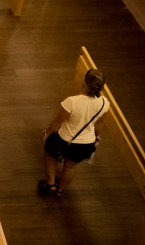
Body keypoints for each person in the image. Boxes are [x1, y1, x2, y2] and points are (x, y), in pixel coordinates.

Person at [39, 69, 110, 197]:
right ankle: (60, 190)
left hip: (64, 138)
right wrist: (97, 137)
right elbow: (99, 124)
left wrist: (46, 134)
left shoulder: (72, 101)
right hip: (86, 143)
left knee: (50, 153)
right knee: (71, 166)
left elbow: (57, 123)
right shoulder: (104, 103)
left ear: (84, 82)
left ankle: (50, 183)